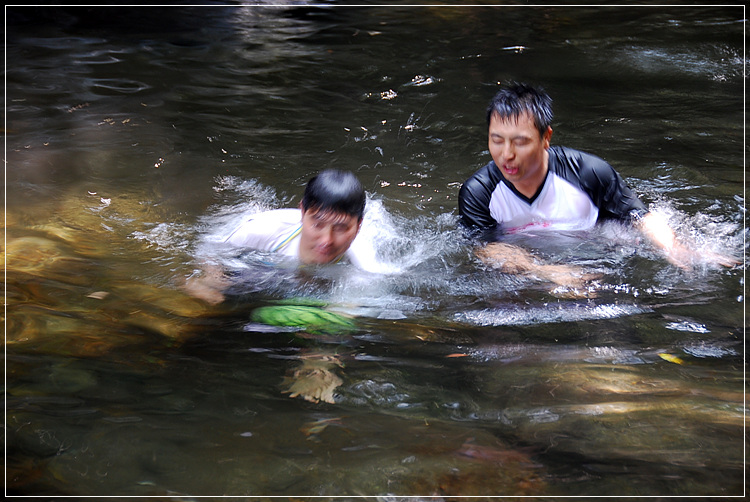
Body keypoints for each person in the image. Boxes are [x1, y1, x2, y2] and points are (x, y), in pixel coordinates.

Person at [458, 83, 735, 282]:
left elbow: (639, 215)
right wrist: (547, 272)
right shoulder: (479, 192)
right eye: (497, 141)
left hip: (596, 257)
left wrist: (675, 248)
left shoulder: (588, 173)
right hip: (533, 271)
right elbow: (487, 249)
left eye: (520, 142)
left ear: (546, 138)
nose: (507, 154)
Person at [185, 169, 385, 304]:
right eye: (317, 224)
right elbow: (211, 249)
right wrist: (212, 278)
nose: (327, 240)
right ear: (302, 212)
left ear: (358, 226)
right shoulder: (261, 230)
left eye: (341, 228)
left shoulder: (364, 260)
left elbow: (354, 303)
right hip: (259, 267)